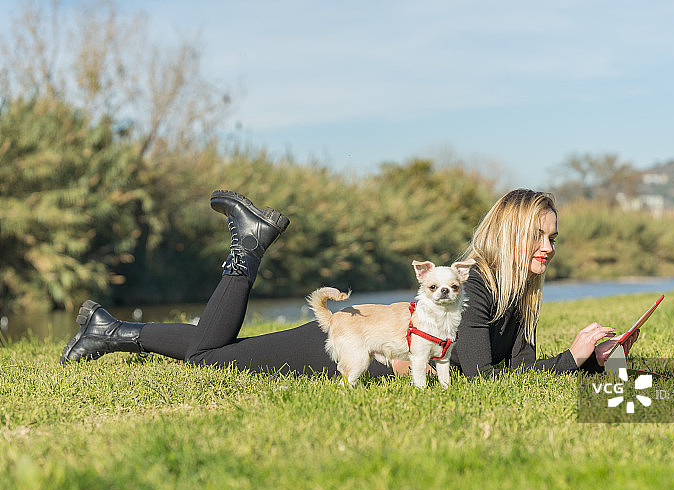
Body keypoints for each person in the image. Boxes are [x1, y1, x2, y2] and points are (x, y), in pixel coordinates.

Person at [61, 188, 638, 378]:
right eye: (540, 235)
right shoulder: (477, 287)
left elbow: (510, 372)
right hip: (345, 343)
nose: (549, 247)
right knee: (212, 356)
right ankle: (248, 247)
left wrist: (586, 360)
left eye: (553, 239)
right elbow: (479, 375)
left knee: (215, 348)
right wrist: (574, 359)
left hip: (364, 340)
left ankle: (109, 330)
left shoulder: (514, 297)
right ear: (513, 235)